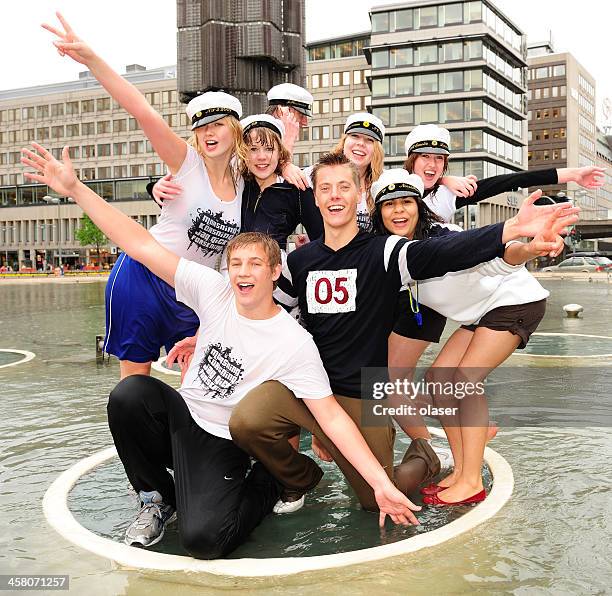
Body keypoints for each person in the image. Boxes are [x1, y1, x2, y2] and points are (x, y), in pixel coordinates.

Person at [22, 141, 422, 557]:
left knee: (204, 541)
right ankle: (157, 498)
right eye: (236, 263)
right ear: (227, 270)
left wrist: (380, 483)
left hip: (226, 438)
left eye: (255, 264)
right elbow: (140, 244)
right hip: (185, 417)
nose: (243, 273)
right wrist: (76, 189)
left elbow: (333, 419)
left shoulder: (295, 340)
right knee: (129, 395)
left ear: (273, 272)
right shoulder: (213, 292)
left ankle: (266, 483)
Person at [228, 152, 577, 512]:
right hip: (313, 388)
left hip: (370, 388)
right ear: (314, 197)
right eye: (325, 188)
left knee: (376, 498)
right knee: (247, 420)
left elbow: (452, 251)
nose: (334, 195)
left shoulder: (387, 251)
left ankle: (429, 458)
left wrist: (513, 231)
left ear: (360, 194)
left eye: (343, 187)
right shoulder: (298, 261)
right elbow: (272, 312)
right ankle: (300, 479)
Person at [43, 13, 246, 380]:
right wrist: (92, 59)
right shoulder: (186, 163)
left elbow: (278, 162)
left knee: (201, 380)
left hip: (191, 290)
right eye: (201, 126)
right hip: (142, 275)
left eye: (218, 125)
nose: (209, 133)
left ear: (235, 130)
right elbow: (140, 109)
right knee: (134, 386)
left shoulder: (245, 182)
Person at [369, 167, 578, 504]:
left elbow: (500, 258)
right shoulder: (385, 254)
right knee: (439, 383)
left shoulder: (442, 236)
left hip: (514, 302)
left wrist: (530, 248)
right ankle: (464, 467)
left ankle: (470, 481)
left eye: (407, 202)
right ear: (378, 213)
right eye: (389, 204)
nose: (399, 211)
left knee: (463, 380)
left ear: (419, 207)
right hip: (479, 313)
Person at [386, 124, 605, 445]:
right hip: (407, 283)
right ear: (410, 160)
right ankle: (449, 431)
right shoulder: (391, 189)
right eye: (423, 158)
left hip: (428, 292)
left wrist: (571, 174)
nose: (431, 165)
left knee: (402, 382)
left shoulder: (448, 194)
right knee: (411, 382)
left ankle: (433, 448)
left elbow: (510, 181)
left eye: (439, 159)